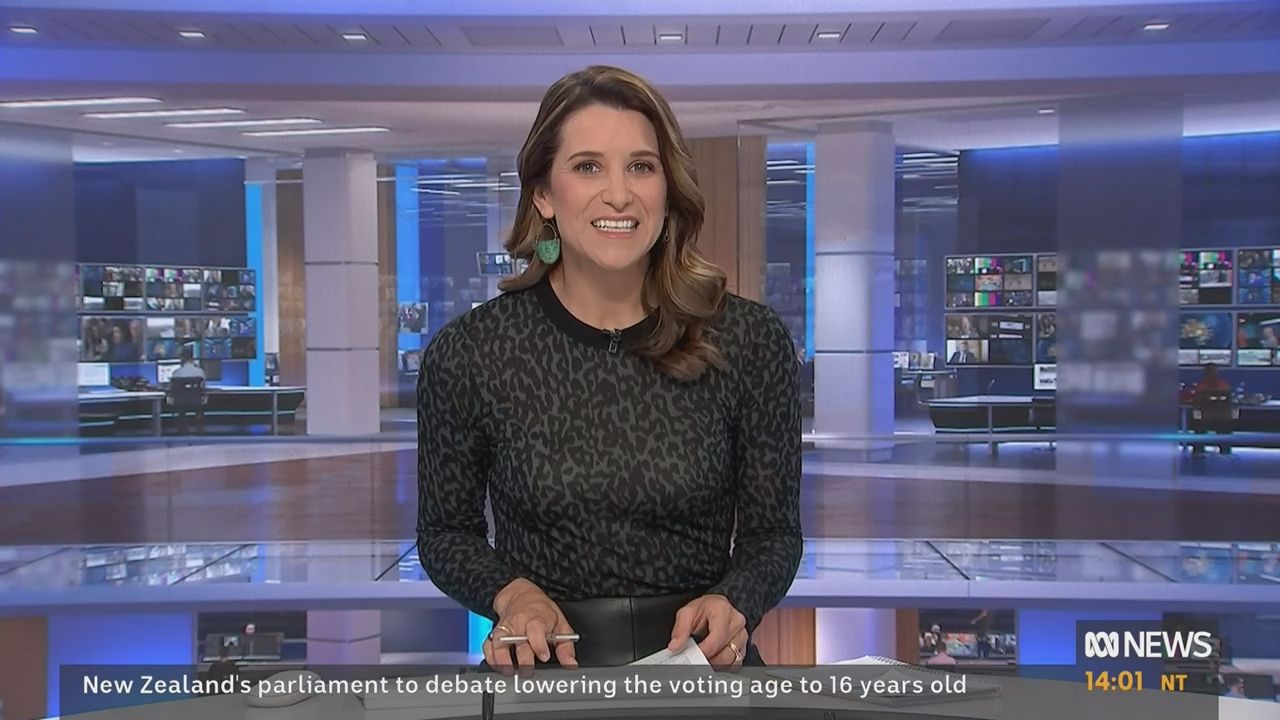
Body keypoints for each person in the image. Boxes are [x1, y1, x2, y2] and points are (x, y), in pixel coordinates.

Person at [417, 65, 801, 675]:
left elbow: (773, 535)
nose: (619, 195)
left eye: (641, 167)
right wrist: (511, 596)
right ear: (544, 194)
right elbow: (445, 532)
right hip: (544, 673)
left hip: (704, 671)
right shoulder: (471, 352)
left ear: (668, 189)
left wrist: (737, 601)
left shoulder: (749, 341)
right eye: (588, 167)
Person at [1189, 363, 1232, 457]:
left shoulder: (1201, 386)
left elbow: (1196, 401)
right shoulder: (1224, 385)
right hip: (1222, 419)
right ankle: (1225, 452)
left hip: (1205, 419)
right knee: (1225, 429)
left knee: (1198, 426)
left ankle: (1198, 451)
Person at [169, 346, 206, 434]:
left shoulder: (176, 373)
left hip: (180, 403)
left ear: (182, 358)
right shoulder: (200, 372)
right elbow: (203, 387)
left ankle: (181, 428)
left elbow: (172, 389)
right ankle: (199, 428)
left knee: (177, 404)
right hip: (196, 402)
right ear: (193, 358)